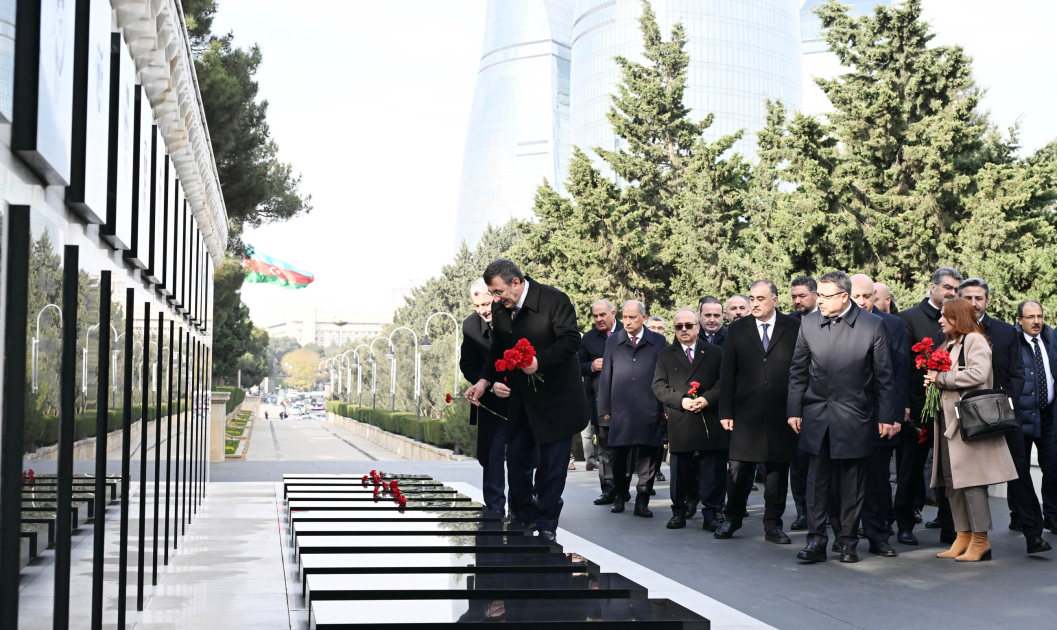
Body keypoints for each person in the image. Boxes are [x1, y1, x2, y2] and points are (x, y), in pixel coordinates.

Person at [465, 259, 587, 542]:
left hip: (558, 401)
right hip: (522, 400)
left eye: (498, 292)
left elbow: (571, 341)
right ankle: (523, 517)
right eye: (492, 294)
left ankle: (546, 524)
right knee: (517, 458)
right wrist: (483, 382)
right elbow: (497, 349)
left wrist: (538, 362)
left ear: (516, 283)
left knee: (552, 468)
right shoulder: (501, 308)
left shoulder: (554, 300)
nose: (495, 299)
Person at [787, 270, 897, 564]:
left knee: (852, 485)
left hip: (855, 417)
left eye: (825, 296)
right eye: (818, 295)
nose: (819, 301)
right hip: (816, 416)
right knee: (816, 484)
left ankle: (847, 542)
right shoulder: (809, 324)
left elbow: (884, 377)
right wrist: (794, 410)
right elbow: (798, 372)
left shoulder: (872, 325)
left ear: (844, 297)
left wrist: (886, 416)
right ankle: (816, 542)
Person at [959, 279, 1050, 555]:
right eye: (968, 298)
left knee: (1018, 473)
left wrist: (1001, 406)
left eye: (979, 298)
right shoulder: (951, 330)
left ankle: (1033, 535)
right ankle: (961, 535)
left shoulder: (1005, 332)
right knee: (966, 478)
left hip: (1003, 415)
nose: (974, 303)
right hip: (964, 417)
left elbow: (1017, 374)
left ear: (987, 301)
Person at [927, 297, 1018, 562]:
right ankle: (963, 536)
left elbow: (979, 374)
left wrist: (940, 379)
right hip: (949, 423)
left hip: (966, 422)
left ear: (959, 317)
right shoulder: (951, 342)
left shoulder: (974, 340)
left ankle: (980, 540)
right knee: (953, 482)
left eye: (945, 315)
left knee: (971, 483)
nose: (940, 320)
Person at [715, 280, 801, 544]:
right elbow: (727, 373)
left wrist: (797, 409)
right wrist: (725, 412)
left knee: (776, 476)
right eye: (752, 298)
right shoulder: (737, 329)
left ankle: (773, 526)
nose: (754, 304)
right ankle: (731, 519)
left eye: (760, 299)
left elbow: (800, 371)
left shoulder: (793, 327)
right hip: (744, 415)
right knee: (738, 472)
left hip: (780, 415)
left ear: (775, 300)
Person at [829, 274, 908, 557]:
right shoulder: (833, 321)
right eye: (857, 296)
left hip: (879, 416)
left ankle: (878, 536)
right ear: (847, 296)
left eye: (867, 296)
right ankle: (841, 535)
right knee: (842, 479)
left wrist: (894, 415)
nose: (861, 301)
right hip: (843, 416)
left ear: (876, 296)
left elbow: (899, 373)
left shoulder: (893, 325)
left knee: (877, 480)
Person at [894, 266, 962, 546]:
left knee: (949, 468)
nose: (952, 293)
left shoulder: (959, 319)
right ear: (932, 287)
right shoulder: (908, 318)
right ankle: (904, 524)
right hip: (917, 409)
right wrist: (904, 404)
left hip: (949, 409)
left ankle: (949, 525)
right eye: (947, 287)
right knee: (910, 469)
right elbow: (901, 366)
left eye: (956, 289)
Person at [652, 308, 727, 530]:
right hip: (681, 418)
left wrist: (707, 399)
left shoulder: (715, 352)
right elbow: (658, 385)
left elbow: (724, 381)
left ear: (698, 327)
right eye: (679, 326)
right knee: (680, 471)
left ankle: (711, 513)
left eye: (688, 325)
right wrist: (681, 400)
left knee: (711, 471)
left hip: (709, 418)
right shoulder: (665, 355)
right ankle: (678, 512)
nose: (683, 330)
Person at [597, 301, 667, 517]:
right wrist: (604, 407)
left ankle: (642, 500)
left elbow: (665, 375)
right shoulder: (614, 340)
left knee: (648, 456)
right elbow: (606, 374)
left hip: (649, 407)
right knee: (618, 456)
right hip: (621, 409)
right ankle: (620, 495)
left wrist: (665, 406)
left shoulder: (658, 341)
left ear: (644, 318)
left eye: (632, 317)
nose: (627, 321)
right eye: (625, 317)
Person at [460, 278, 511, 516]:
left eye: (485, 304)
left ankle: (523, 506)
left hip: (518, 397)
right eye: (477, 306)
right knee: (491, 455)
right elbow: (468, 366)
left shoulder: (513, 318)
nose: (482, 310)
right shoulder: (470, 325)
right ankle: (494, 508)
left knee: (523, 454)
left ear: (495, 298)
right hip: (490, 402)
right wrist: (489, 385)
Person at [1015, 300, 1057, 545]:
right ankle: (1017, 516)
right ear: (1019, 320)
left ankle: (1052, 516)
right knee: (1019, 470)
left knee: (1052, 466)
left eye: (1039, 316)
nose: (1036, 321)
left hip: (1048, 415)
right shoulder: (1014, 341)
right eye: (1030, 317)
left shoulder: (1050, 339)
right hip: (1021, 416)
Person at [579, 299, 622, 504]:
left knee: (626, 448)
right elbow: (577, 365)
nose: (598, 319)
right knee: (604, 446)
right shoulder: (588, 338)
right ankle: (608, 490)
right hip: (600, 400)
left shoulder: (627, 332)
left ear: (613, 313)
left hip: (628, 401)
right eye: (595, 316)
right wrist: (591, 366)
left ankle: (624, 487)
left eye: (602, 314)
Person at [787, 275, 818, 530]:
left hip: (823, 403)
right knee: (798, 464)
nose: (797, 301)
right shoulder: (788, 324)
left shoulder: (828, 320)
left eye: (802, 296)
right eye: (794, 296)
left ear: (815, 295)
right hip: (797, 403)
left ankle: (822, 512)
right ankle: (802, 512)